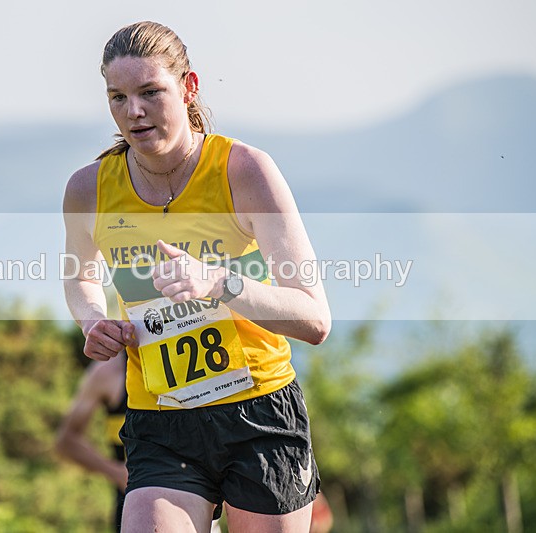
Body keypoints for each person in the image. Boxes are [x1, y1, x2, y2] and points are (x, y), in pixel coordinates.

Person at [62, 21, 331, 533]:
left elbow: (315, 319)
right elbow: (80, 277)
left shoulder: (244, 170)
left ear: (188, 88)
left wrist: (218, 283)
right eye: (117, 97)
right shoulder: (88, 189)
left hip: (259, 413)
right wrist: (92, 320)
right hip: (160, 418)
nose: (133, 111)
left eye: (150, 92)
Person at [55, 353, 128, 532]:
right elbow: (66, 441)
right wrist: (118, 473)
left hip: (194, 499)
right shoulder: (110, 370)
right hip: (134, 507)